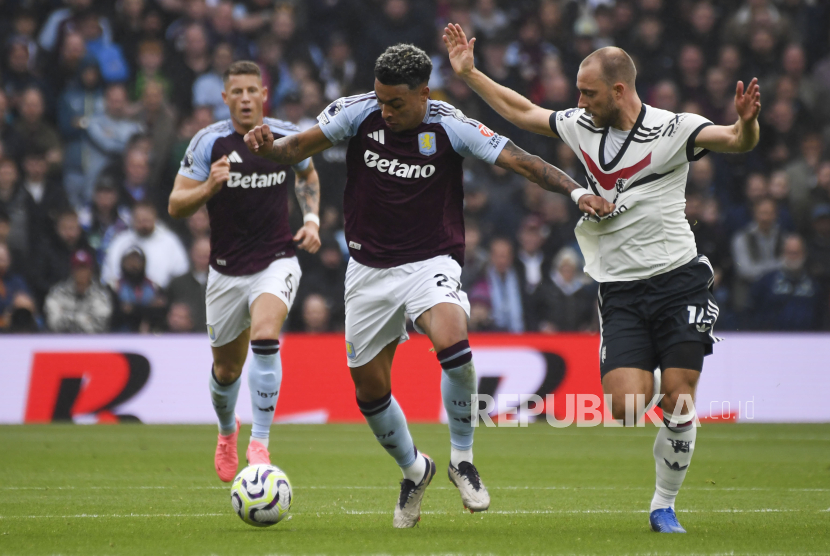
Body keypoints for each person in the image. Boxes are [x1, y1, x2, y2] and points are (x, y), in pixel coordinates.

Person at [243, 43, 612, 528]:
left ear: (424, 93)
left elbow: (521, 160)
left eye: (396, 102)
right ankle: (415, 470)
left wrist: (577, 190)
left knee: (453, 339)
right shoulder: (356, 114)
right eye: (380, 100)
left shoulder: (449, 125)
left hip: (429, 262)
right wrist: (268, 146)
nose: (385, 111)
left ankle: (462, 457)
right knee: (368, 390)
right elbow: (296, 148)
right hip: (368, 270)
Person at [444, 24, 760, 533]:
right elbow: (524, 112)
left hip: (679, 278)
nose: (579, 100)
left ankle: (663, 505)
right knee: (628, 405)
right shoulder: (582, 125)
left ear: (619, 90)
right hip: (620, 287)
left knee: (679, 393)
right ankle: (679, 422)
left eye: (587, 92)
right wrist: (471, 74)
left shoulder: (674, 128)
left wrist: (746, 125)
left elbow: (735, 141)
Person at [168, 61, 321, 483]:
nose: (246, 98)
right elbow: (176, 205)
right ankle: (226, 432)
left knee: (267, 337)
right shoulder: (208, 143)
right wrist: (208, 187)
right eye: (237, 92)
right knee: (226, 371)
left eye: (253, 90)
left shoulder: (284, 133)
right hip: (225, 272)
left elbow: (307, 173)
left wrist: (311, 221)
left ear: (264, 94)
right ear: (225, 98)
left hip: (277, 260)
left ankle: (261, 440)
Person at [44, 249, 112, 333]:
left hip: (92, 343)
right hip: (62, 342)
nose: (81, 272)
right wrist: (84, 319)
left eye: (84, 268)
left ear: (91, 270)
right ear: (72, 270)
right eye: (78, 268)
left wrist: (66, 317)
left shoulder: (101, 294)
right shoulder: (58, 293)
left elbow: (99, 325)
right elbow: (53, 323)